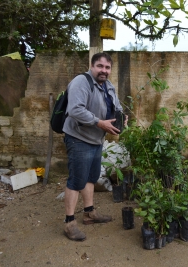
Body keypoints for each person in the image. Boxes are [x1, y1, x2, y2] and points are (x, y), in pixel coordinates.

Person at [62, 52, 127, 241]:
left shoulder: (108, 86)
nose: (103, 71)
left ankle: (89, 213)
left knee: (91, 177)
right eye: (100, 66)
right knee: (76, 180)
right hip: (79, 138)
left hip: (96, 140)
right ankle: (69, 223)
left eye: (107, 68)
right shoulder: (81, 82)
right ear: (92, 66)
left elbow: (118, 107)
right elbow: (75, 109)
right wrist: (100, 123)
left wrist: (123, 117)